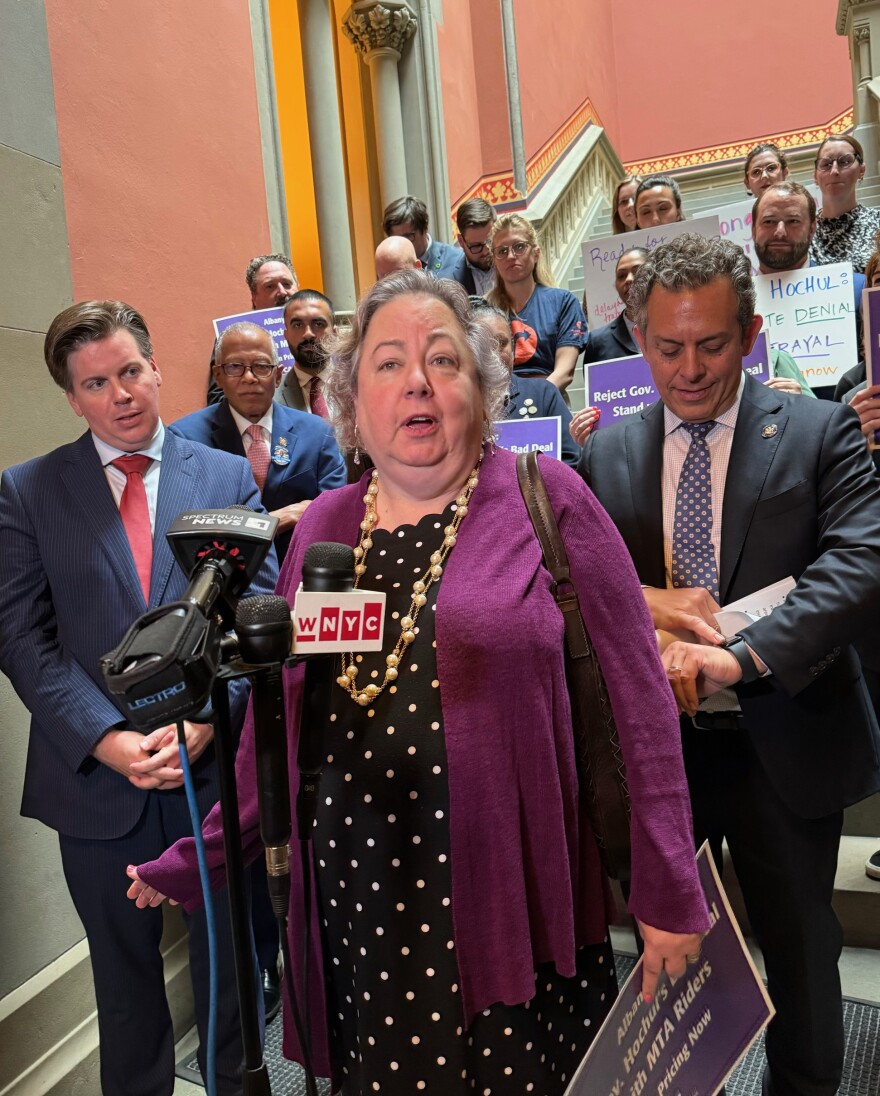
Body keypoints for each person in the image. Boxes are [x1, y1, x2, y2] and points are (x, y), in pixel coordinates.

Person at [129, 270, 710, 1095]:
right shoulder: (325, 531)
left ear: (481, 388)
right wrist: (202, 853)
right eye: (388, 364)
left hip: (512, 892)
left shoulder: (551, 499)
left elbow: (641, 711)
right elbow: (287, 730)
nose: (417, 383)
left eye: (443, 360)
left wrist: (669, 887)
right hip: (363, 901)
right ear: (351, 404)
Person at [579, 234, 880, 1096]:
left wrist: (738, 657)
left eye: (712, 344)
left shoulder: (819, 431)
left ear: (749, 334)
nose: (691, 369)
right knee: (666, 953)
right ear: (640, 342)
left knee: (800, 947)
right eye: (669, 347)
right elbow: (582, 588)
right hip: (659, 749)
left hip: (783, 737)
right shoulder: (605, 456)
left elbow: (859, 566)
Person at [0, 301, 279, 1095]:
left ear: (156, 369)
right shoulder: (26, 493)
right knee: (124, 997)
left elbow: (251, 621)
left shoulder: (224, 478)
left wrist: (201, 721)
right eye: (96, 383)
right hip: (96, 788)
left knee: (232, 987)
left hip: (211, 781)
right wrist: (107, 739)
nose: (120, 394)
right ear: (72, 396)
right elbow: (21, 639)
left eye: (130, 372)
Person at [171, 322, 346, 563]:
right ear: (218, 376)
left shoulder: (318, 433)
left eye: (261, 366)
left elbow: (334, 512)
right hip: (223, 579)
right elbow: (187, 524)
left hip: (298, 574)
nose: (249, 378)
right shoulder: (185, 438)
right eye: (235, 367)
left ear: (277, 376)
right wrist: (285, 517)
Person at [470, 298, 580, 467]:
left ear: (513, 349)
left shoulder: (543, 394)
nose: (494, 353)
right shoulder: (458, 404)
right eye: (485, 344)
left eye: (502, 343)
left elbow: (572, 460)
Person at [487, 213, 587, 391]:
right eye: (502, 251)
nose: (510, 256)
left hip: (549, 399)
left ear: (536, 253)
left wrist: (538, 400)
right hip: (499, 403)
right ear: (494, 259)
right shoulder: (484, 309)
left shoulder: (563, 302)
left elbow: (565, 371)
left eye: (519, 247)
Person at [207, 253, 299, 405]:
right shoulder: (233, 337)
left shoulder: (319, 330)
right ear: (254, 296)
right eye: (270, 286)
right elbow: (217, 399)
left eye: (287, 284)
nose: (282, 292)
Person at [810, 133, 880, 273]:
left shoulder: (878, 222)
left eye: (845, 162)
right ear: (815, 177)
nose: (834, 171)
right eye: (826, 164)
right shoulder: (803, 231)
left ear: (861, 170)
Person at [275, 289, 337, 416]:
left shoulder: (359, 385)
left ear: (335, 333)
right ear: (285, 335)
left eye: (318, 324)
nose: (308, 334)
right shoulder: (271, 398)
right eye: (298, 325)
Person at [382, 194, 462, 278]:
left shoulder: (456, 259)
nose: (403, 244)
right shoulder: (388, 268)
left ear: (424, 228)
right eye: (397, 239)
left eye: (408, 236)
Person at [452, 196, 497, 295]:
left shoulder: (513, 264)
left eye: (490, 241)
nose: (486, 251)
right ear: (461, 242)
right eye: (476, 246)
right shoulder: (450, 281)